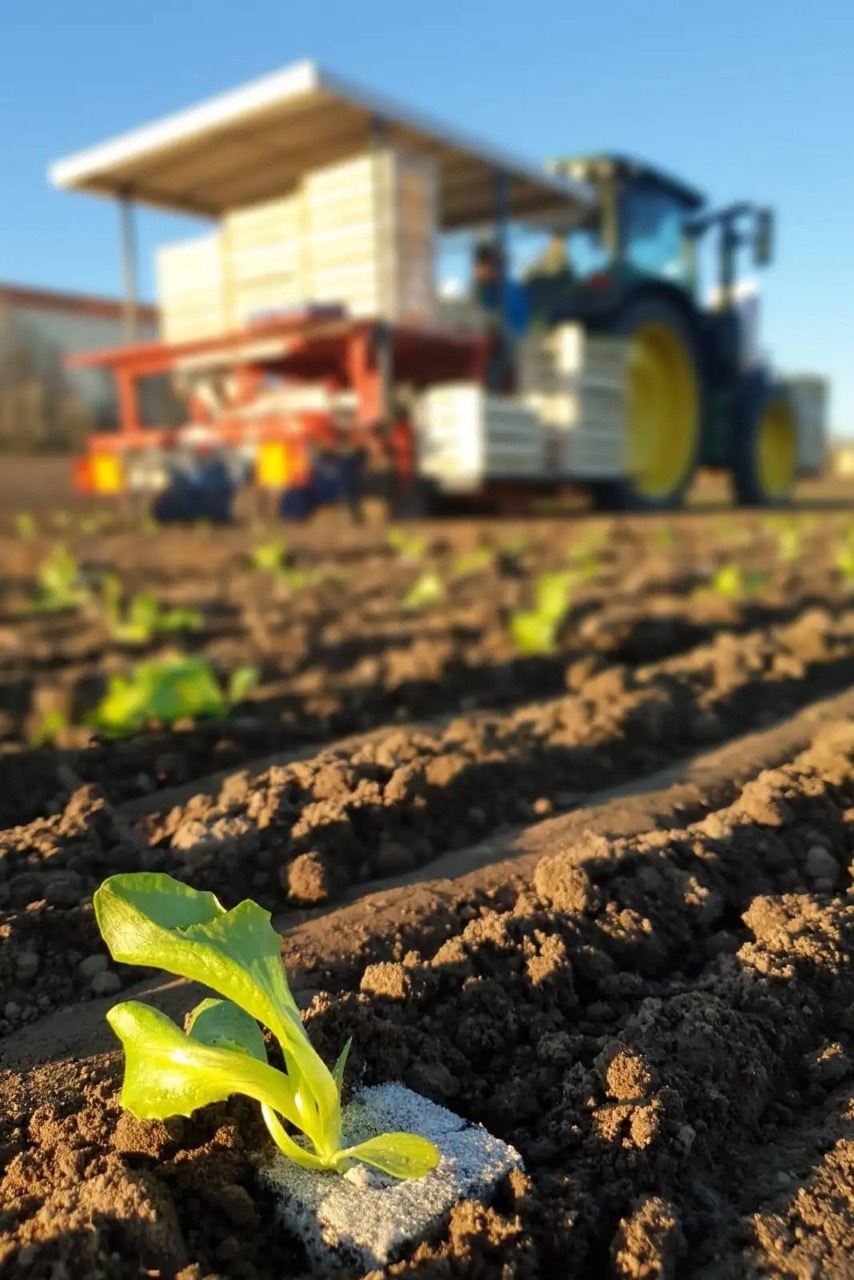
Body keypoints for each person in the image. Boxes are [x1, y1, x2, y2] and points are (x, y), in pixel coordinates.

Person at [472, 242, 531, 391]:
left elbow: (512, 331)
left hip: (509, 359)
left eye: (479, 266)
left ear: (492, 267)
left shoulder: (507, 292)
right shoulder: (488, 292)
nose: (476, 271)